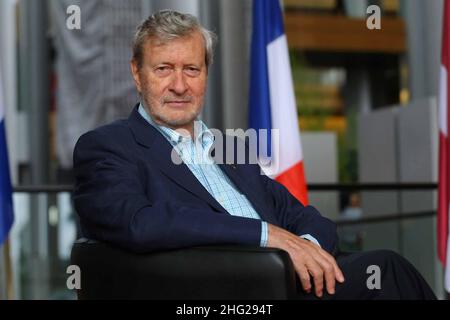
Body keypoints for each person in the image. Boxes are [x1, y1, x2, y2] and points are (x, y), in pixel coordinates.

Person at [73, 9, 436, 300]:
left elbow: (307, 218)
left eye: (192, 70)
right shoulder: (108, 146)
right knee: (387, 272)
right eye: (164, 69)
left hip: (288, 283)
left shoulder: (230, 149)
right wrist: (266, 236)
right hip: (219, 298)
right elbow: (141, 223)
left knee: (384, 272)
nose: (180, 85)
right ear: (137, 73)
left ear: (206, 75)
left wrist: (301, 252)